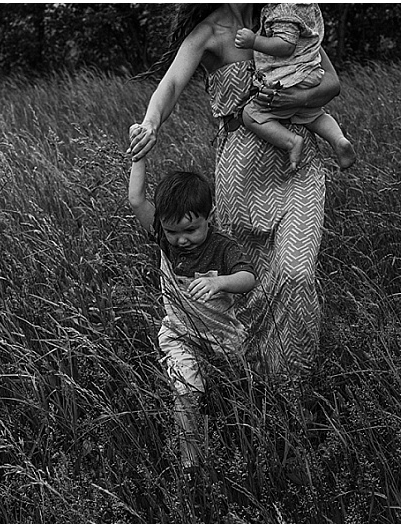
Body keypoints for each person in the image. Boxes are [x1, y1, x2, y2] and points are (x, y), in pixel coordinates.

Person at [128, 4, 342, 377]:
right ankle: (260, 382)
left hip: (297, 164)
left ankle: (296, 384)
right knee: (250, 290)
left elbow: (332, 83)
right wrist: (150, 123)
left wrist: (294, 100)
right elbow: (171, 84)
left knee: (295, 275)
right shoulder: (210, 33)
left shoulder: (285, 20)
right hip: (241, 175)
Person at [128, 153, 257, 470]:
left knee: (238, 396)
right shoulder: (165, 240)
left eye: (190, 230)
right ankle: (191, 463)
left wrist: (220, 282)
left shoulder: (222, 247)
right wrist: (139, 154)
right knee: (186, 393)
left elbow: (248, 278)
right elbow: (136, 200)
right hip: (180, 334)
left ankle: (244, 446)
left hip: (223, 339)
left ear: (209, 215)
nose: (181, 240)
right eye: (172, 232)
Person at [235, 3, 356, 171]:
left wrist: (254, 41)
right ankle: (339, 141)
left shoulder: (283, 10)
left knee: (251, 114)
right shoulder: (302, 7)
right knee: (314, 115)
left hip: (289, 77)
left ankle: (291, 141)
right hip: (309, 72)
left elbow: (286, 45)